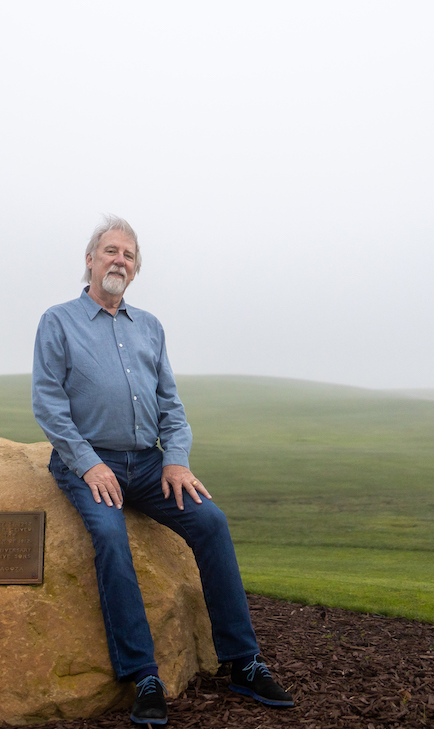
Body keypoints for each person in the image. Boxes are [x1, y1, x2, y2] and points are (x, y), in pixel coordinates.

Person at [32, 215, 294, 725]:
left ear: (135, 270)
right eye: (110, 251)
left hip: (149, 463)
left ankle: (243, 661)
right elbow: (48, 404)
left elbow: (171, 406)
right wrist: (87, 465)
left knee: (212, 522)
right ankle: (143, 674)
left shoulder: (149, 327)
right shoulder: (58, 321)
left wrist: (175, 459)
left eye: (128, 255)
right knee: (110, 536)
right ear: (90, 260)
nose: (119, 261)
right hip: (89, 460)